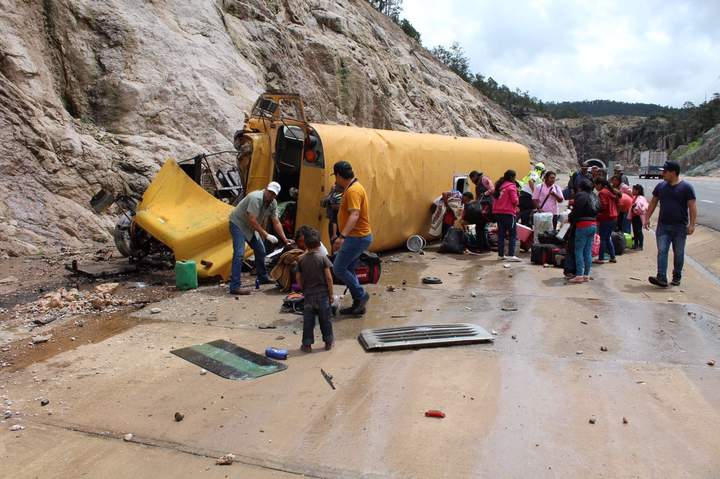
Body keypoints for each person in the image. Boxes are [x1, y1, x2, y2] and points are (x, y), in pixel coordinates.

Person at [228, 182, 290, 295]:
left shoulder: (273, 203)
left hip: (251, 227)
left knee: (261, 251)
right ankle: (235, 286)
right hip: (238, 223)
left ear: (276, 195)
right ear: (265, 189)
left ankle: (262, 277)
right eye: (269, 192)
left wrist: (285, 239)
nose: (270, 195)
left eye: (273, 194)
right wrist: (266, 235)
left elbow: (276, 222)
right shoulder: (255, 198)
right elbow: (252, 219)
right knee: (239, 254)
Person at [645, 161, 697, 287]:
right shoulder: (660, 187)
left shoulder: (686, 188)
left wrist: (692, 225)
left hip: (680, 227)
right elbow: (653, 202)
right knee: (662, 251)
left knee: (678, 253)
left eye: (665, 171)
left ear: (673, 172)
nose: (662, 174)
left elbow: (692, 206)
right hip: (663, 226)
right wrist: (646, 218)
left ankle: (677, 275)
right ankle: (661, 277)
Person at [331, 161, 373, 315]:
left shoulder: (353, 191)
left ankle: (361, 295)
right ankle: (358, 304)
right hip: (359, 237)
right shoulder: (354, 187)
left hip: (356, 237)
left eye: (335, 176)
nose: (335, 180)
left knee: (338, 268)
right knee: (348, 268)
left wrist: (342, 236)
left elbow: (355, 214)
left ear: (339, 175)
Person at [296, 228, 334, 352]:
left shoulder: (301, 260)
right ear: (319, 244)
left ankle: (307, 345)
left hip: (308, 295)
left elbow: (298, 277)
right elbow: (328, 278)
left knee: (308, 322)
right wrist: (331, 293)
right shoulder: (323, 258)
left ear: (305, 244)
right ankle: (328, 342)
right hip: (323, 294)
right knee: (325, 320)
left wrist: (303, 288)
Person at [567, 179, 598, 283]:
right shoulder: (594, 196)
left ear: (580, 187)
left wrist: (570, 217)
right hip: (593, 224)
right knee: (588, 251)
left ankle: (579, 274)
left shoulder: (581, 195)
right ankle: (586, 275)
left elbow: (576, 211)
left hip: (583, 224)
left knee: (579, 250)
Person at [492, 170, 521, 262]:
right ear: (512, 177)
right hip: (508, 213)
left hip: (498, 213)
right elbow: (515, 201)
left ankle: (500, 255)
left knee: (501, 234)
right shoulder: (511, 187)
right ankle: (511, 255)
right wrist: (518, 195)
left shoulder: (500, 186)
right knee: (512, 234)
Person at [594, 178, 619, 264]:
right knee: (608, 238)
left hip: (606, 218)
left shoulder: (602, 192)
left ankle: (601, 258)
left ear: (599, 184)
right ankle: (612, 257)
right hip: (614, 217)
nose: (595, 187)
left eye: (596, 185)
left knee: (603, 239)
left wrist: (597, 211)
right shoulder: (610, 191)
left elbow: (604, 205)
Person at [628, 184, 648, 250]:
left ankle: (641, 245)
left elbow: (641, 207)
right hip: (634, 216)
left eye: (633, 190)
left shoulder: (640, 198)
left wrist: (635, 208)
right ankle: (636, 244)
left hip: (638, 217)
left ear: (637, 191)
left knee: (638, 231)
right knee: (635, 231)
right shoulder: (635, 197)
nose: (632, 191)